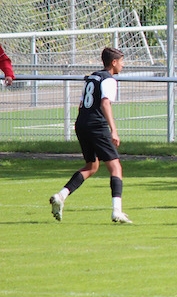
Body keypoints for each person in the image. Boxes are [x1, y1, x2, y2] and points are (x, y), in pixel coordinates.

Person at [48, 47, 132, 224]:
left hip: (82, 123)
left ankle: (60, 196)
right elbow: (105, 104)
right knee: (116, 168)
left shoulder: (92, 77)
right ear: (114, 62)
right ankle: (117, 211)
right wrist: (113, 130)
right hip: (96, 125)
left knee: (92, 166)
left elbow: (81, 104)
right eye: (122, 61)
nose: (123, 65)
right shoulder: (109, 80)